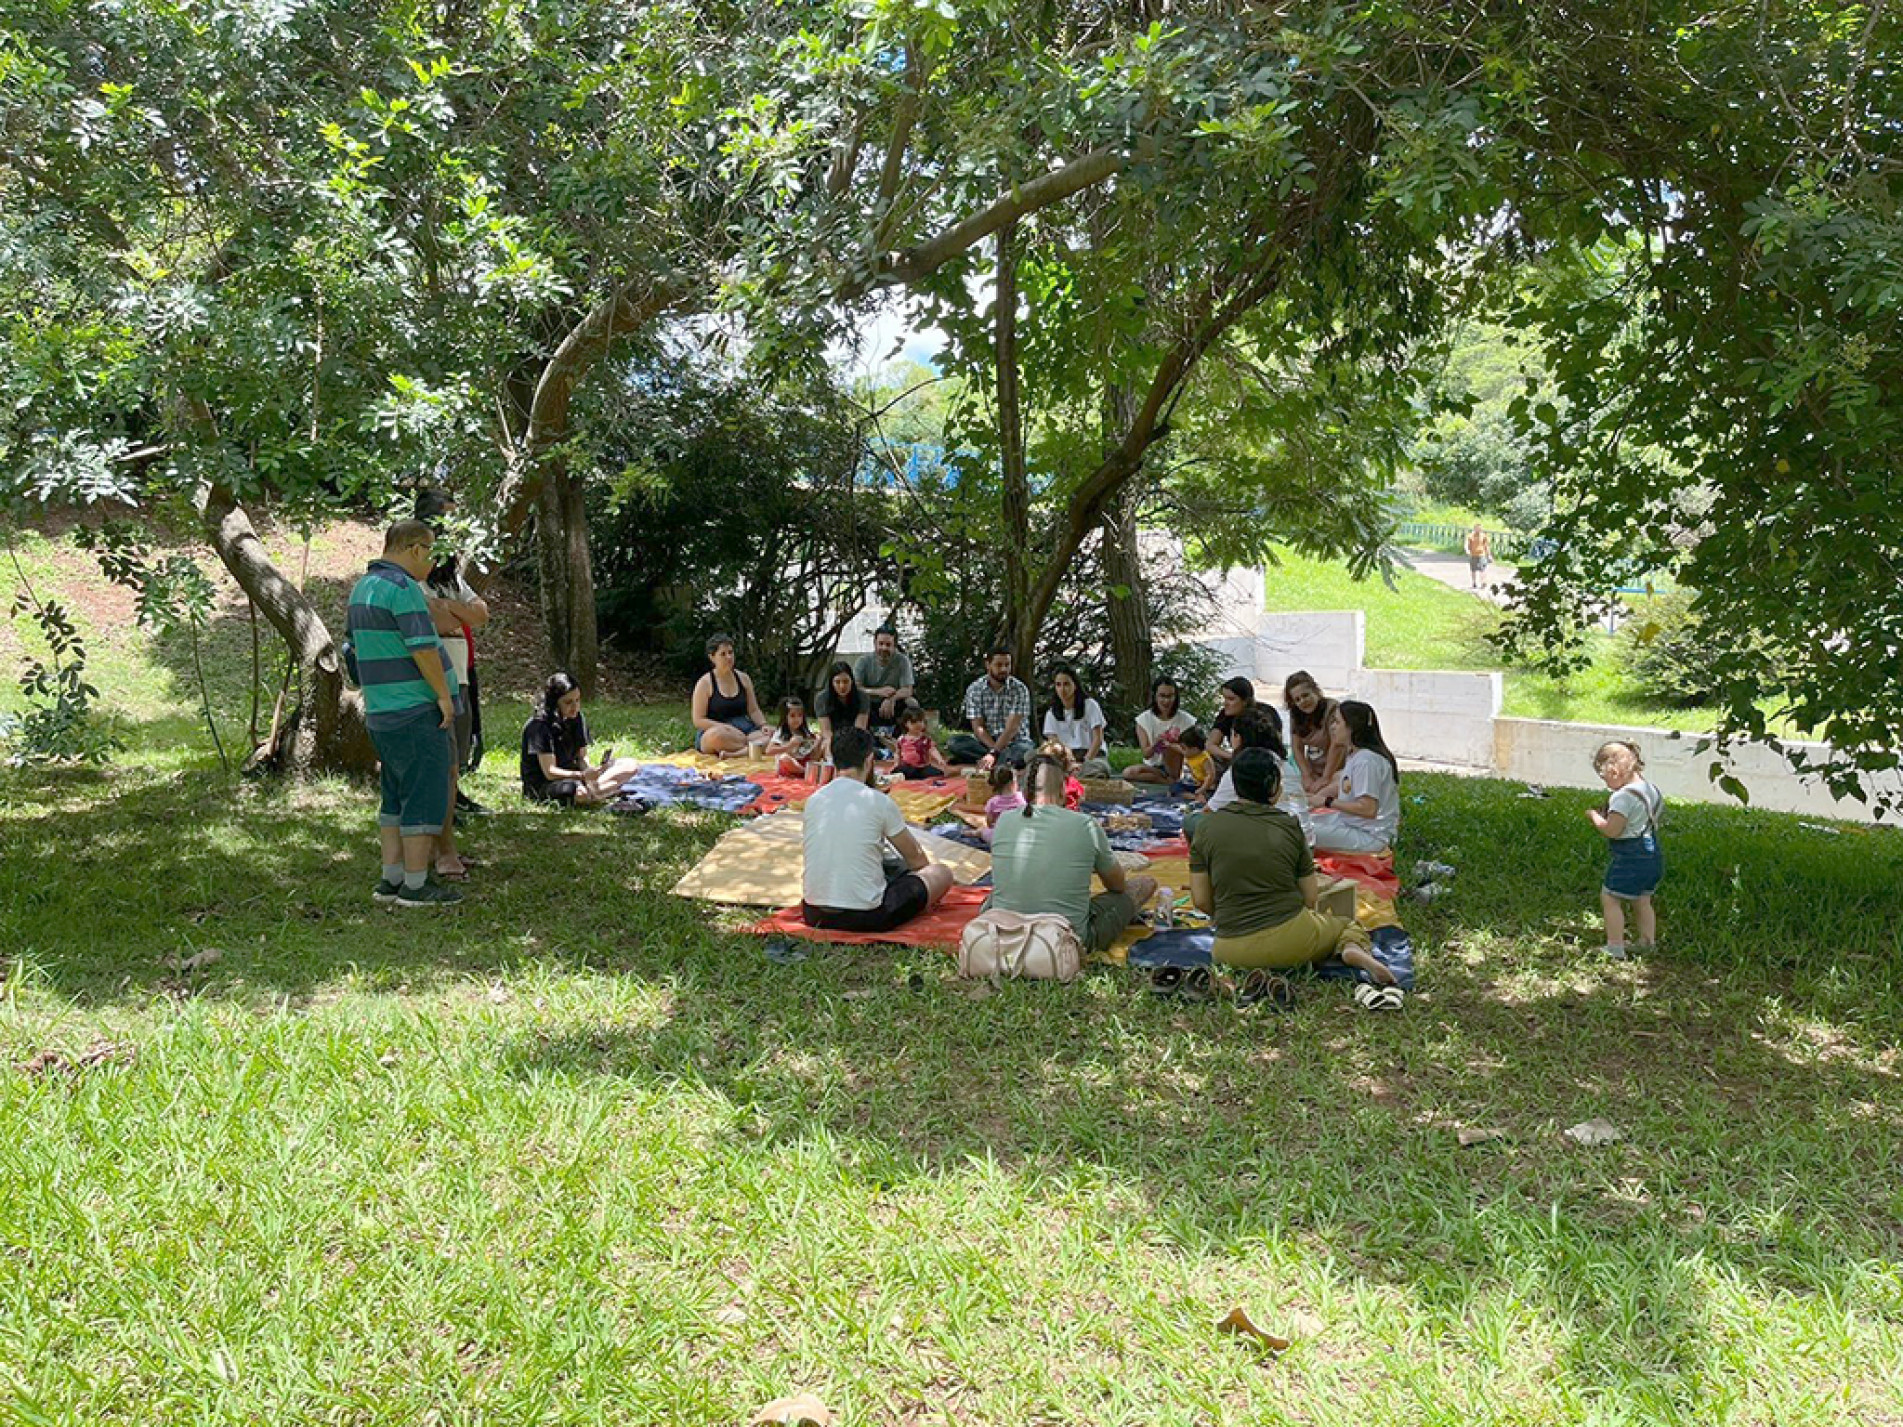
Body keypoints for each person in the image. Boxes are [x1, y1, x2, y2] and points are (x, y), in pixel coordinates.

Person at [1190, 749, 1397, 987]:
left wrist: (1231, 916)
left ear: (1235, 786)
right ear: (1275, 788)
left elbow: (1201, 901)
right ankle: (1351, 948)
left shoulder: (1205, 828)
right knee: (1347, 925)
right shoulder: (1288, 826)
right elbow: (1309, 897)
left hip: (1230, 950)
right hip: (1293, 941)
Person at [345, 520, 463, 907]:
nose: (431, 561)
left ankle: (390, 879)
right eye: (429, 552)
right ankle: (415, 885)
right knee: (424, 792)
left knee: (394, 794)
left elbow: (352, 652)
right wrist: (443, 696)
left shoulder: (363, 587)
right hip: (414, 708)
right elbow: (423, 648)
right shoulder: (403, 589)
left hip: (380, 710)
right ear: (414, 549)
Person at [987, 751, 1157, 956]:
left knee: (994, 897)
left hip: (1005, 932)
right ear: (1063, 790)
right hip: (1067, 941)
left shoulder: (1004, 820)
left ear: (1024, 792)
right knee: (1144, 884)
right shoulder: (1085, 824)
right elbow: (1117, 885)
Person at [799, 727, 955, 933]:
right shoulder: (878, 801)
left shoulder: (814, 800)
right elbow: (917, 861)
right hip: (868, 916)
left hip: (814, 913)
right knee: (940, 873)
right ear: (869, 760)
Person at [415, 487, 490, 817]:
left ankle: (452, 800)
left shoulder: (451, 579)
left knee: (458, 744)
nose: (452, 529)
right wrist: (456, 615)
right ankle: (435, 808)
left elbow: (481, 614)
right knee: (435, 745)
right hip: (430, 674)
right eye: (446, 518)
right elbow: (437, 623)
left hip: (459, 671)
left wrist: (447, 607)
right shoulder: (411, 576)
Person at [1587, 739, 1664, 959]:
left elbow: (1612, 830)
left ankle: (1615, 946)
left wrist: (1595, 817)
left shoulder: (1622, 797)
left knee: (1610, 897)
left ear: (1613, 770)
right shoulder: (1651, 790)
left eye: (1603, 777)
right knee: (1642, 900)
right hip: (1651, 852)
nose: (1605, 783)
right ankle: (1647, 942)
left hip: (1630, 856)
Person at [1185, 706, 1310, 841]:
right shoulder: (1286, 766)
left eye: (1232, 735)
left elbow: (1210, 812)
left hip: (1269, 845)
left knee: (1193, 821)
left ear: (1238, 737)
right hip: (1303, 841)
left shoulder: (1241, 769)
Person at [520, 672, 641, 806]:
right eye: (568, 702)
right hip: (546, 784)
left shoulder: (577, 718)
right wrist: (582, 776)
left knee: (630, 764)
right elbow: (550, 772)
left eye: (577, 700)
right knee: (579, 793)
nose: (575, 707)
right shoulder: (539, 726)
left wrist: (590, 771)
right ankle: (602, 793)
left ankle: (598, 792)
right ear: (555, 703)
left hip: (576, 776)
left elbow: (581, 756)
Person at [1309, 701, 1401, 854]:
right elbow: (1343, 784)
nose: (1332, 727)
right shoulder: (1357, 755)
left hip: (1371, 836)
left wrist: (1327, 802)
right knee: (1299, 822)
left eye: (1337, 722)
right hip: (1351, 824)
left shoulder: (1366, 761)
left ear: (1352, 727)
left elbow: (1368, 809)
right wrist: (1314, 798)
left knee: (1298, 832)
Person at [946, 646, 1034, 768]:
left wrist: (994, 753)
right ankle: (1001, 762)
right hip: (987, 742)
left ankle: (991, 761)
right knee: (955, 743)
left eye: (1007, 665)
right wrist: (994, 750)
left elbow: (1012, 729)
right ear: (988, 665)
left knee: (1023, 750)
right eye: (999, 665)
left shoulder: (1019, 689)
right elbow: (978, 727)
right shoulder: (975, 689)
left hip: (1015, 741)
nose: (1004, 669)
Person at [691, 633, 769, 757]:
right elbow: (698, 720)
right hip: (718, 730)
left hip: (744, 730)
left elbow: (753, 710)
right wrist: (726, 728)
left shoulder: (743, 678)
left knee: (774, 734)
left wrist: (763, 725)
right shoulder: (705, 683)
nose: (728, 657)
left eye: (731, 652)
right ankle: (755, 748)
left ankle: (738, 753)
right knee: (717, 737)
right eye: (723, 654)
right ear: (712, 657)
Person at [1284, 670, 1349, 797]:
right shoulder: (1296, 714)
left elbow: (1337, 746)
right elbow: (1296, 747)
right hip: (1314, 770)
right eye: (1297, 699)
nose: (1302, 701)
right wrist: (1306, 774)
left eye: (1306, 695)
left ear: (1316, 691)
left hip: (1339, 770)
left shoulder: (1333, 709)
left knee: (1324, 796)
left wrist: (1326, 778)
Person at [1042, 666, 1111, 779]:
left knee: (1099, 767)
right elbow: (1054, 744)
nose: (1062, 689)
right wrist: (1069, 763)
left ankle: (1074, 776)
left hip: (1092, 756)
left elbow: (1097, 739)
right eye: (1058, 685)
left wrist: (1084, 762)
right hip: (1067, 758)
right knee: (1032, 757)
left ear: (1075, 685)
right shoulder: (1051, 713)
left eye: (1066, 684)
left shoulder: (1090, 705)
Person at [1125, 677, 1198, 784]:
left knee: (1169, 748)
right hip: (1153, 766)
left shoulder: (1187, 720)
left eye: (1170, 696)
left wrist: (1172, 745)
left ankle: (1173, 778)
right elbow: (1146, 754)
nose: (1166, 701)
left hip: (1177, 766)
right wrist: (1157, 744)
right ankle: (1166, 781)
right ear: (1155, 696)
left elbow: (1193, 751)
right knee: (1128, 773)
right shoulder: (1143, 720)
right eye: (1162, 696)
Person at [853, 625, 918, 734]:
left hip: (894, 704)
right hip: (868, 703)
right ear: (875, 643)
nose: (884, 648)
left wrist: (892, 699)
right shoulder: (863, 662)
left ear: (894, 645)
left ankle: (910, 739)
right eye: (881, 644)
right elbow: (855, 688)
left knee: (912, 703)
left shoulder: (902, 661)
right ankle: (860, 737)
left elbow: (908, 689)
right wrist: (878, 692)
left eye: (888, 645)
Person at [814, 661, 870, 760]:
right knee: (827, 745)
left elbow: (860, 728)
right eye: (837, 682)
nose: (842, 686)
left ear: (852, 681)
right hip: (832, 737)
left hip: (854, 736)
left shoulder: (862, 697)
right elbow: (826, 731)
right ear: (831, 683)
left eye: (846, 681)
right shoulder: (821, 698)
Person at [1208, 677, 1256, 767]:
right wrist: (1233, 756)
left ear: (1245, 701)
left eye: (1231, 699)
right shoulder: (1226, 715)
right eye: (1224, 698)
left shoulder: (1261, 715)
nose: (1225, 703)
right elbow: (1210, 745)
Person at [767, 697, 821, 778]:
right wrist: (789, 745)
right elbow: (768, 751)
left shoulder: (804, 730)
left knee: (821, 741)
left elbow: (809, 749)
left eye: (800, 716)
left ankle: (813, 768)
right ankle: (806, 771)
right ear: (785, 717)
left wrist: (816, 741)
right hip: (789, 766)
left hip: (804, 760)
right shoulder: (781, 732)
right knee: (784, 758)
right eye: (792, 716)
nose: (797, 719)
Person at [893, 706, 950, 780]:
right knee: (900, 771)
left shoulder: (925, 738)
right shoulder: (902, 739)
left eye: (921, 721)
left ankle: (916, 776)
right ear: (906, 724)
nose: (918, 724)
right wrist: (896, 763)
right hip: (908, 766)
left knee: (938, 773)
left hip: (923, 767)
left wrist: (939, 759)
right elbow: (897, 753)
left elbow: (932, 749)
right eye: (914, 722)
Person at [1174, 726, 1215, 796]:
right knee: (1174, 788)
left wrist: (1202, 789)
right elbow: (1178, 748)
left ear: (1195, 749)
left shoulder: (1204, 759)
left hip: (1200, 785)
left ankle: (1195, 796)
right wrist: (1168, 744)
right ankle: (1191, 795)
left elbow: (1210, 775)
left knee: (1203, 793)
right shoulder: (1189, 753)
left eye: (1183, 748)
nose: (1182, 750)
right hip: (1187, 783)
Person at [1465, 523, 1493, 589]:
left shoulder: (1484, 536)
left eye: (1480, 529)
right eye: (1477, 528)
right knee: (1473, 569)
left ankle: (1483, 582)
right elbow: (1466, 544)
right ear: (1474, 529)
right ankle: (1474, 582)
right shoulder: (1470, 536)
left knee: (1482, 569)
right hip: (1473, 554)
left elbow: (1486, 546)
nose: (1479, 530)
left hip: (1482, 554)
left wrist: (1489, 555)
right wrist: (1467, 550)